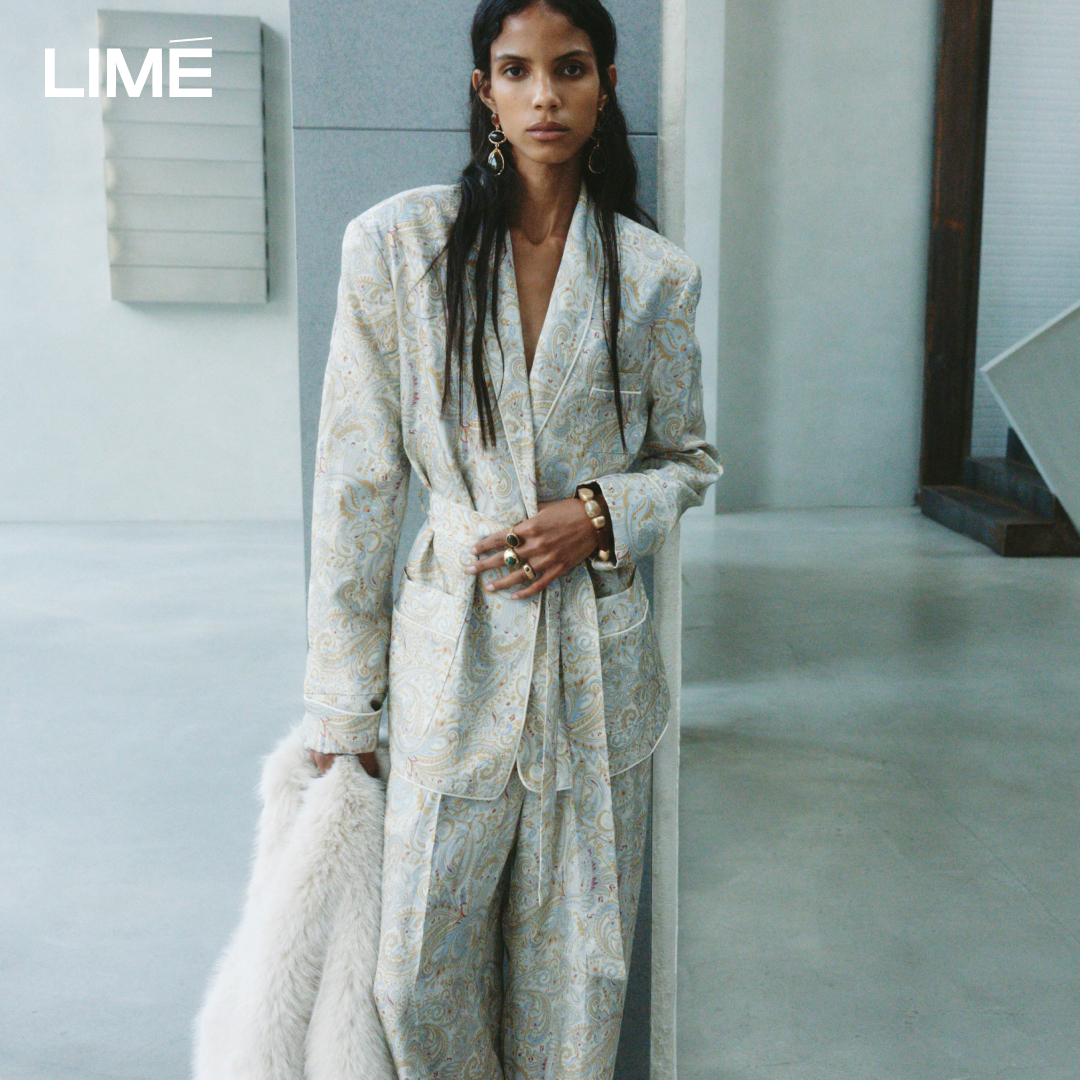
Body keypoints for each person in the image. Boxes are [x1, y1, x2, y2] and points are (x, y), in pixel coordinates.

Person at [301, 0, 721, 1075]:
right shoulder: (398, 248)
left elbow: (688, 460)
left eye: (570, 69)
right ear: (484, 89)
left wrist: (601, 513)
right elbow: (357, 483)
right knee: (413, 973)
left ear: (607, 84)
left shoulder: (654, 276)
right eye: (518, 70)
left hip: (595, 670)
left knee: (581, 979)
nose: (546, 96)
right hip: (449, 656)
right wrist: (343, 706)